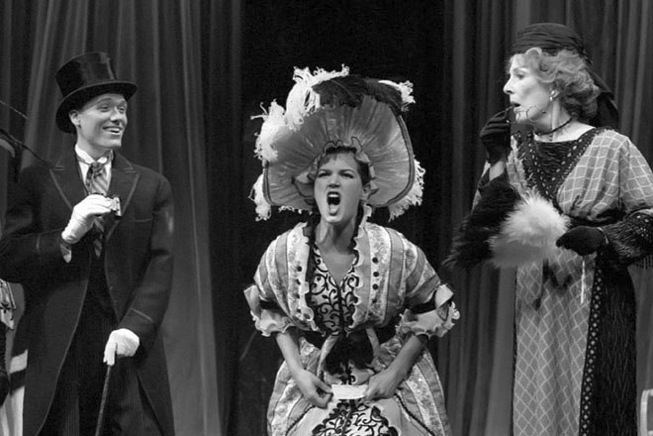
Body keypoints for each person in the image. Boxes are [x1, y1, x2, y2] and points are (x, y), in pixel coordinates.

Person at [447, 23, 653, 436]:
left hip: (596, 298)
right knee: (537, 412)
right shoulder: (516, 152)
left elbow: (650, 214)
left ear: (555, 84)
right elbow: (485, 231)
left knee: (596, 413)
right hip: (535, 306)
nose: (507, 87)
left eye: (519, 75)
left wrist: (606, 237)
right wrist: (497, 159)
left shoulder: (611, 147)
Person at [244, 66, 459, 436]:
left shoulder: (395, 250)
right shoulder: (284, 252)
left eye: (346, 175)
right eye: (324, 175)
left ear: (365, 189)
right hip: (315, 381)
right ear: (310, 187)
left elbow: (432, 309)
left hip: (385, 379)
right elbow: (271, 312)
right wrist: (297, 372)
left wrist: (395, 373)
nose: (334, 182)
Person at [0, 52, 175, 435]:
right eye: (105, 107)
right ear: (76, 116)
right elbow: (8, 258)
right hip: (61, 353)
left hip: (128, 348)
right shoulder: (38, 182)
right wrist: (65, 236)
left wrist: (134, 329)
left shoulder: (151, 186)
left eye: (122, 108)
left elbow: (160, 265)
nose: (117, 117)